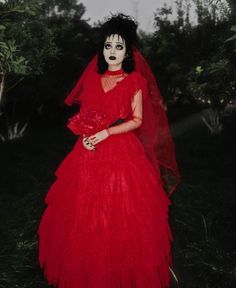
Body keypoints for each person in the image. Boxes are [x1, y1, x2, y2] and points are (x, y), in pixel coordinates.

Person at [38, 14, 180, 288]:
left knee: (122, 209)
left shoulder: (134, 80)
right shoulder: (93, 78)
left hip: (121, 150)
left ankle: (120, 268)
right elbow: (86, 115)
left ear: (128, 51)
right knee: (81, 212)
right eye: (107, 46)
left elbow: (137, 120)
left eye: (118, 46)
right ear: (102, 49)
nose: (112, 52)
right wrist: (86, 137)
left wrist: (105, 133)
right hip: (88, 151)